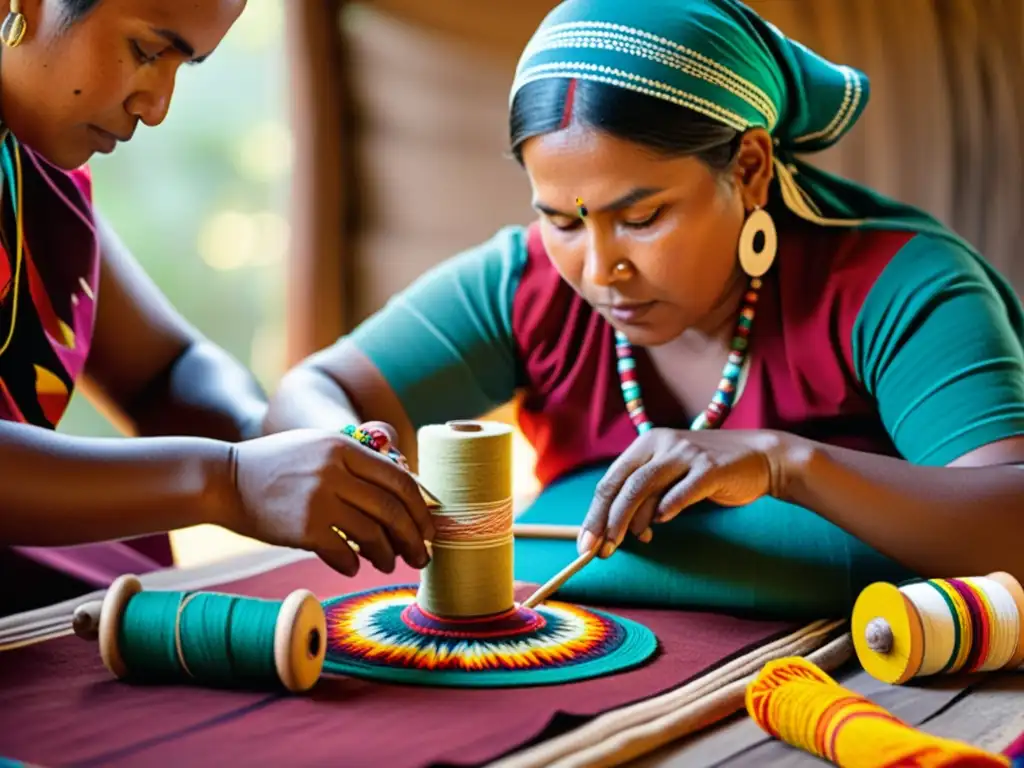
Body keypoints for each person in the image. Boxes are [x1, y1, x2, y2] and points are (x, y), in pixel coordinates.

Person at [265, 0, 1024, 615]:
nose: (600, 271)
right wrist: (352, 453)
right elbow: (305, 394)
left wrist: (785, 465)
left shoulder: (900, 284)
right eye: (562, 220)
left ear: (751, 168)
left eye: (641, 216)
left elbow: (1012, 524)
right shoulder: (524, 281)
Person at [0, 0, 432, 616]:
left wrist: (275, 437)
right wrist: (226, 481)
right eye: (147, 52)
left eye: (185, 66)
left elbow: (163, 370)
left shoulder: (29, 171)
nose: (156, 107)